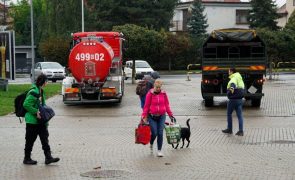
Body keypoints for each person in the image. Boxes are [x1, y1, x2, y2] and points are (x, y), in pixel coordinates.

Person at [23, 74, 60, 165]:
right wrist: (36, 112)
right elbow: (26, 104)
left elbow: (42, 105)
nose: (47, 83)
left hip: (41, 122)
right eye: (46, 81)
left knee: (45, 139)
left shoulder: (41, 91)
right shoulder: (33, 92)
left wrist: (45, 120)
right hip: (32, 122)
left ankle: (48, 158)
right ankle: (27, 158)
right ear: (43, 82)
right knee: (30, 141)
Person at [142, 79, 174, 157]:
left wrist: (170, 115)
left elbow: (167, 105)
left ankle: (159, 150)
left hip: (162, 116)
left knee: (160, 133)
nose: (158, 89)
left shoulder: (163, 94)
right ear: (154, 86)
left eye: (159, 87)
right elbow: (146, 106)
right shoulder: (150, 94)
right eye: (157, 87)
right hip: (152, 116)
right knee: (154, 133)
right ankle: (151, 142)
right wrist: (144, 116)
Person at [222, 68, 245, 136]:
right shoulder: (239, 77)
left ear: (232, 72)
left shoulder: (234, 78)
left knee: (229, 114)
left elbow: (232, 85)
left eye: (229, 71)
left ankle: (229, 129)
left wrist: (230, 92)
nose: (228, 72)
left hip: (233, 100)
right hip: (240, 99)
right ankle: (241, 131)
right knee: (240, 115)